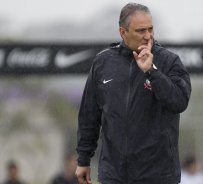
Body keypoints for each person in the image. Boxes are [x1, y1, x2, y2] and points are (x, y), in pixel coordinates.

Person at [75, 3, 192, 184]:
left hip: (158, 176)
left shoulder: (169, 61)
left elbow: (179, 101)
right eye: (140, 30)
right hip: (113, 176)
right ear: (123, 32)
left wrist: (152, 72)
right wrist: (83, 159)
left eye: (150, 29)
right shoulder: (103, 62)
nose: (148, 36)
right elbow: (89, 116)